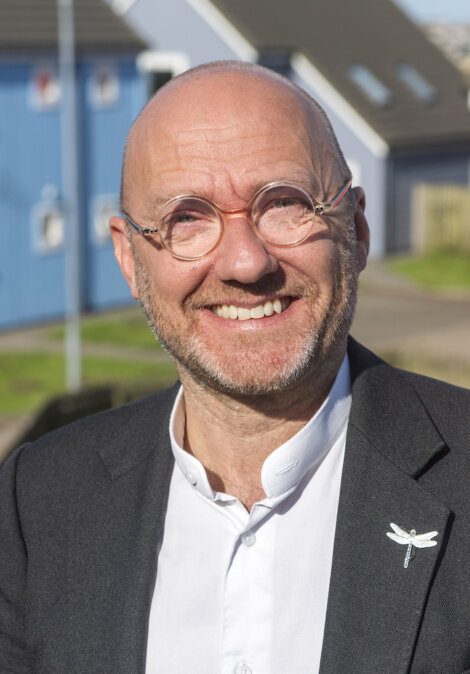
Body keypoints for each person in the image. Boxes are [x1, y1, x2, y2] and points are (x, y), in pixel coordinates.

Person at [1, 61, 469, 674]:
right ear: (128, 256)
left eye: (285, 205)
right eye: (187, 219)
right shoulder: (37, 500)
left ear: (354, 228)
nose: (246, 263)